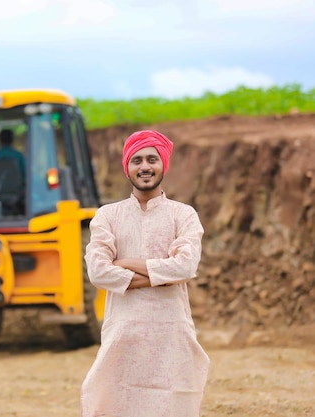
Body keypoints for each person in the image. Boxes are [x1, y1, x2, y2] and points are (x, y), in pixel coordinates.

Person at [81, 130, 210, 417]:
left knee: (172, 405)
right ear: (127, 167)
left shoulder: (183, 215)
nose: (145, 166)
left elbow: (186, 267)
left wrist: (126, 263)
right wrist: (161, 275)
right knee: (113, 403)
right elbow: (99, 272)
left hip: (171, 332)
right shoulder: (107, 216)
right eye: (137, 160)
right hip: (123, 333)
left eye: (152, 159)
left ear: (164, 164)